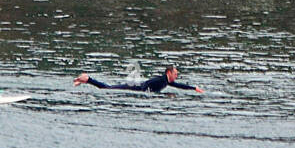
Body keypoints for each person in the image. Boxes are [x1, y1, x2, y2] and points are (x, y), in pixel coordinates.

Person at [73, 65, 204, 94]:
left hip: (135, 86)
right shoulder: (162, 80)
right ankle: (87, 78)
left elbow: (180, 85)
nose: (177, 76)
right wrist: (143, 91)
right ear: (169, 73)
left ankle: (85, 80)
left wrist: (194, 88)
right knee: (106, 88)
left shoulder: (166, 80)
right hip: (133, 87)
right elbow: (148, 83)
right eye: (175, 73)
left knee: (107, 87)